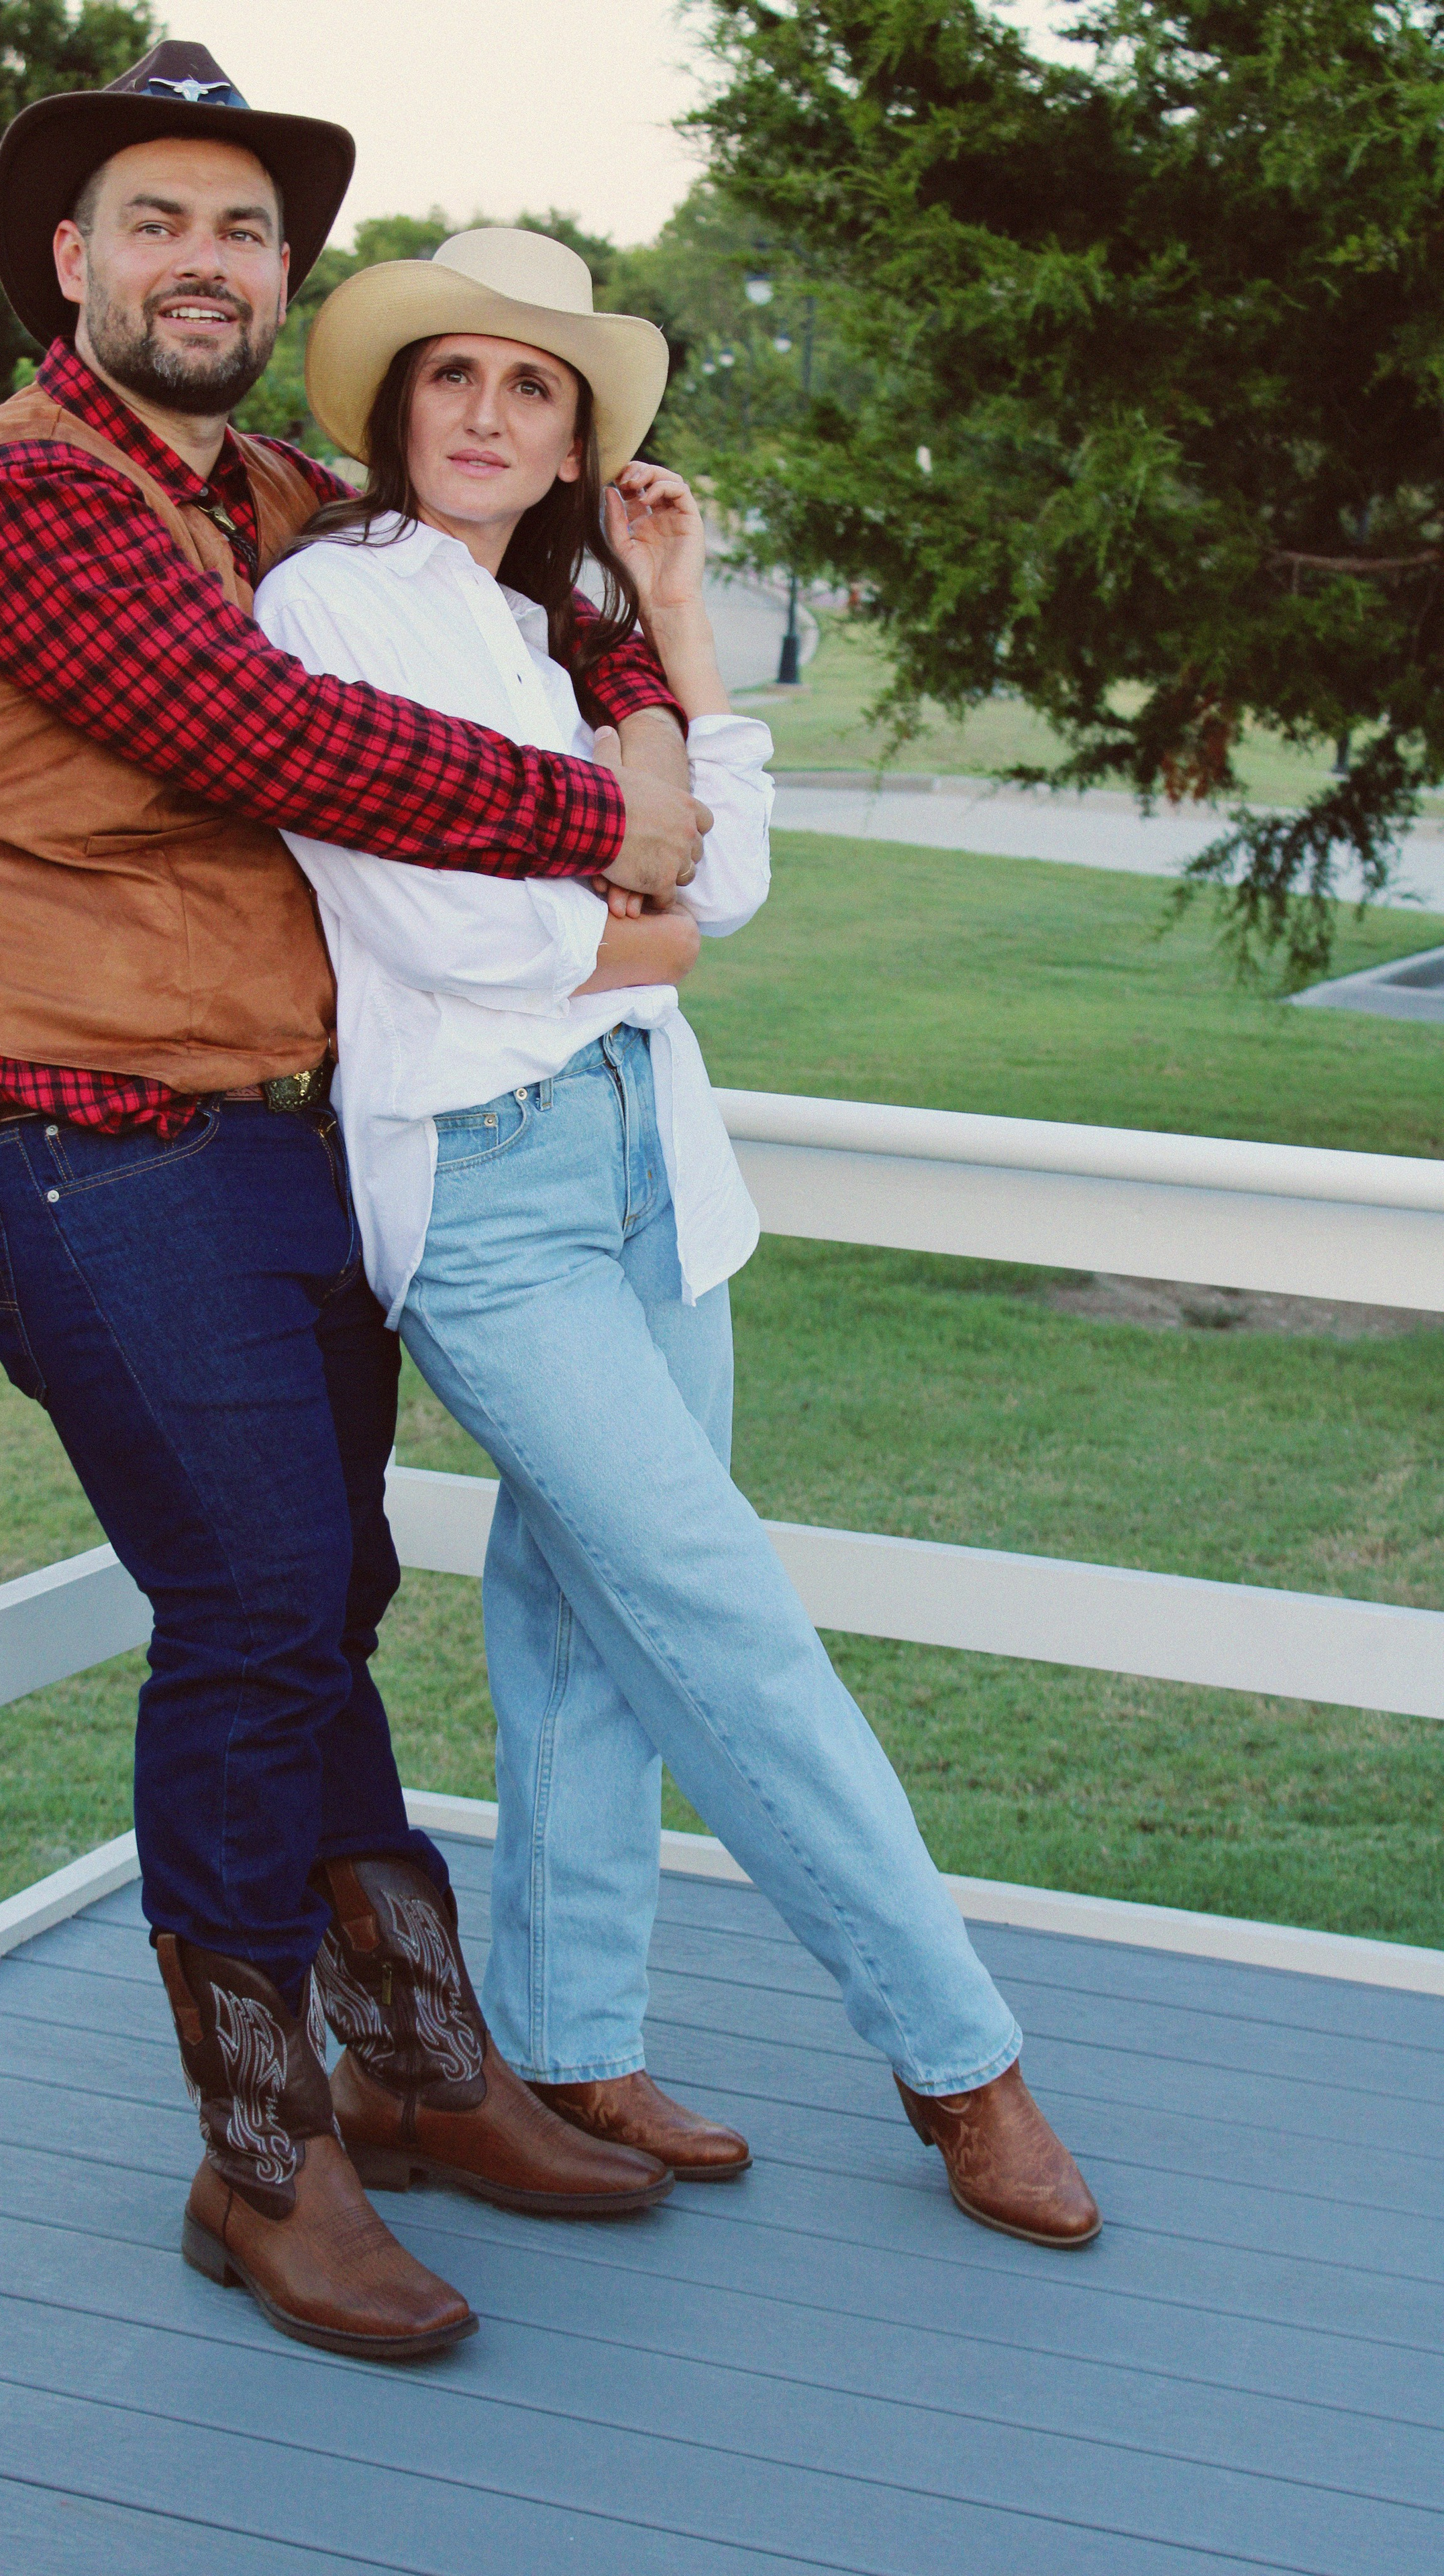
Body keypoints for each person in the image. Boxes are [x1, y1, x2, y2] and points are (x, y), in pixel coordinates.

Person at [0, 44, 705, 2367]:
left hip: (281, 1132)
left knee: (320, 1593)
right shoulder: (22, 494)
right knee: (248, 1607)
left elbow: (539, 569)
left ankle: (417, 2067)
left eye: (244, 229)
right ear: (74, 260)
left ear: (282, 272)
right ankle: (262, 2157)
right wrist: (594, 819)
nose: (204, 262)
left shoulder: (275, 494)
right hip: (82, 1136)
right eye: (157, 221)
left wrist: (638, 686)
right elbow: (265, 738)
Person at [257, 227, 1102, 2252]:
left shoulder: (561, 630)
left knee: (578, 1620)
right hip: (485, 1188)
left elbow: (728, 888)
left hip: (657, 1160)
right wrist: (634, 927)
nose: (488, 414)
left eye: (533, 388)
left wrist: (679, 615)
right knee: (723, 1616)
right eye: (454, 374)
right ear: (397, 409)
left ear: (575, 443)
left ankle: (570, 2042)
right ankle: (959, 2056)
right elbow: (452, 934)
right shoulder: (333, 603)